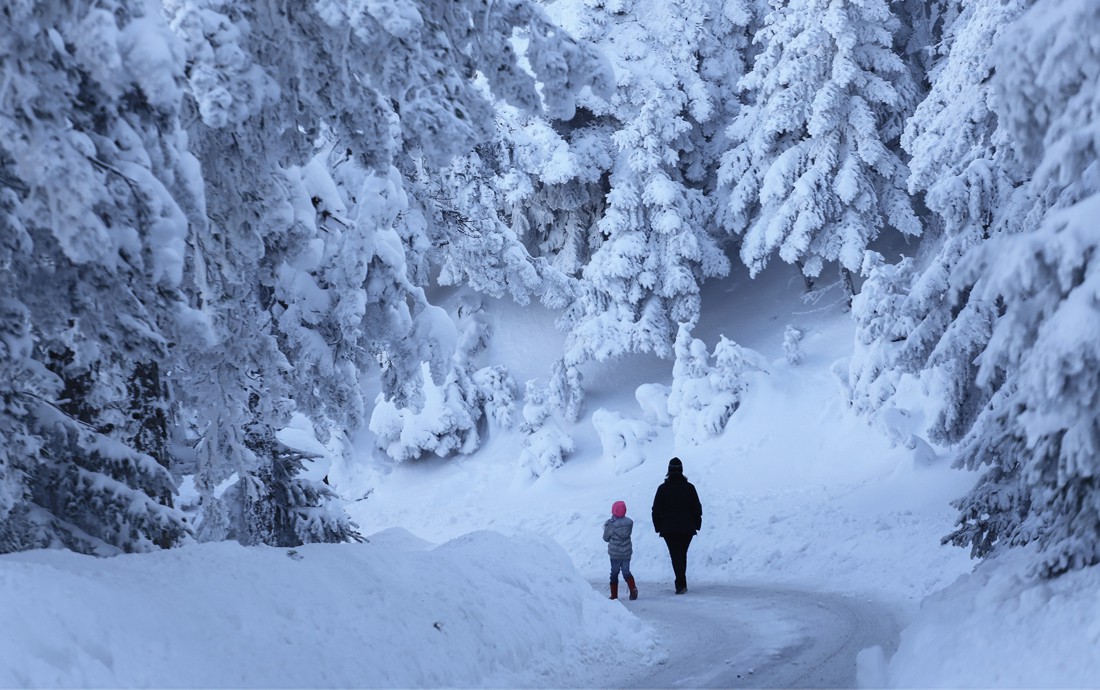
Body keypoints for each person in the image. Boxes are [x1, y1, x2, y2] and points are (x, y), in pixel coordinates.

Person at [651, 457, 702, 594]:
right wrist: (696, 524)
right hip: (687, 527)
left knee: (675, 555)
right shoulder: (690, 488)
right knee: (682, 554)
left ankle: (680, 583)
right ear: (681, 470)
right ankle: (681, 582)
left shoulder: (662, 489)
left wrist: (658, 527)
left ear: (668, 471)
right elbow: (697, 508)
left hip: (669, 528)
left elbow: (656, 510)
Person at [603, 500, 638, 600]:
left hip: (615, 554)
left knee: (614, 573)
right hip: (626, 553)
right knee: (626, 571)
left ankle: (614, 595)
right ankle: (633, 589)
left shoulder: (610, 524)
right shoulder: (629, 523)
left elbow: (605, 538)